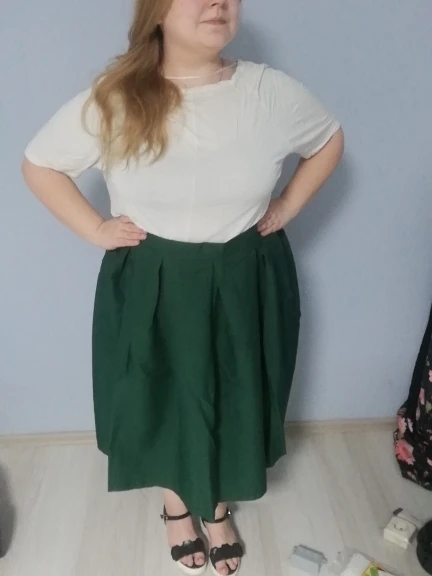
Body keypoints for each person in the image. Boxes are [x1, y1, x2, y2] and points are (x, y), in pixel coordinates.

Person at [22, 0, 344, 574]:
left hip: (244, 273)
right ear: (157, 12)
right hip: (155, 278)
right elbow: (40, 165)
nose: (218, 2)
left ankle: (214, 504)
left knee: (233, 391)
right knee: (162, 393)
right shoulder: (117, 96)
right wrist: (96, 228)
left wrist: (287, 206)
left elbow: (328, 140)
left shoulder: (268, 91)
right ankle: (176, 505)